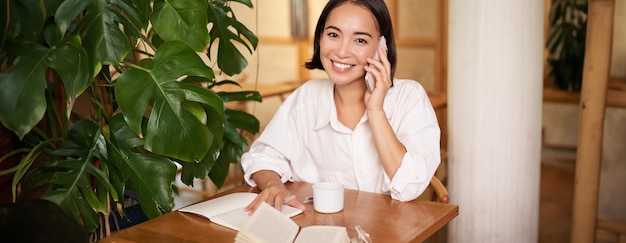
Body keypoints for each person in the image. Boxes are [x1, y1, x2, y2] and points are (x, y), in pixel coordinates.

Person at [242, 0, 440, 213]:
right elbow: (263, 156)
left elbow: (410, 186)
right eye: (334, 35)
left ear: (380, 48)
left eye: (360, 40)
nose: (342, 52)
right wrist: (273, 186)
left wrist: (376, 111)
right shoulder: (307, 97)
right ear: (320, 37)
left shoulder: (409, 98)